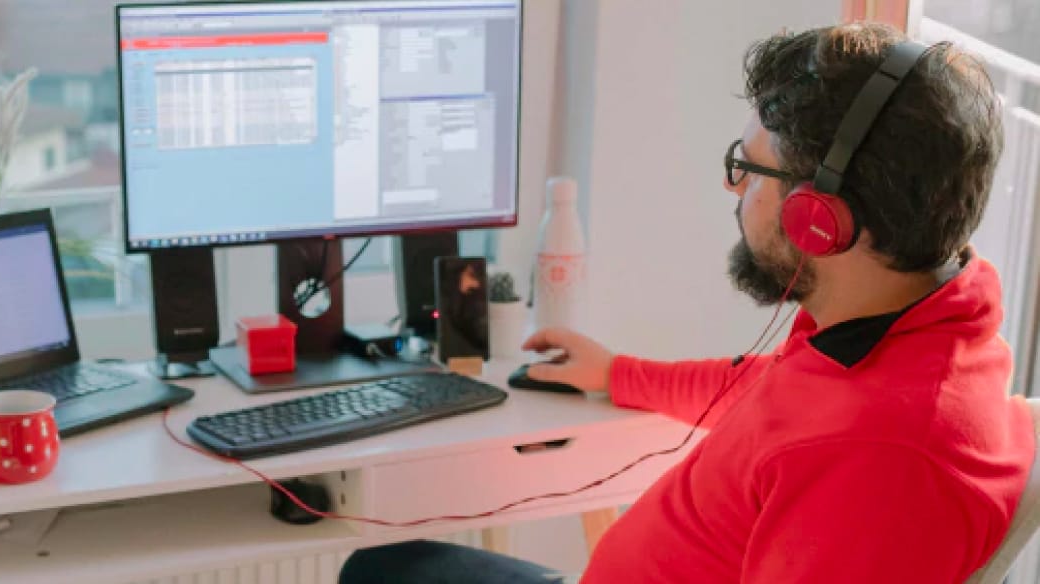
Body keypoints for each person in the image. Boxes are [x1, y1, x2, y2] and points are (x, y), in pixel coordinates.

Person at [338, 22, 1036, 583]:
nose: (736, 190)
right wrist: (619, 374)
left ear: (817, 218)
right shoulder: (916, 325)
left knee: (379, 571)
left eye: (749, 167)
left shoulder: (880, 461)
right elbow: (776, 396)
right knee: (389, 566)